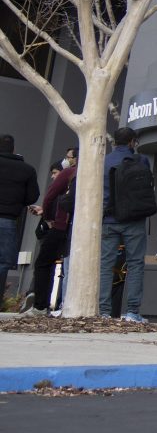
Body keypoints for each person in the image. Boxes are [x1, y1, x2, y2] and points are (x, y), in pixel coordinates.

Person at [98, 127, 148, 322]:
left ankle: (103, 310)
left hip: (109, 219)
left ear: (114, 142)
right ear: (132, 142)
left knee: (106, 264)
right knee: (135, 264)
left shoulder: (104, 161)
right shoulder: (141, 160)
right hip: (134, 219)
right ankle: (132, 311)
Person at [28, 162, 75, 315]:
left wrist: (47, 217)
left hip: (60, 226)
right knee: (66, 266)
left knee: (44, 263)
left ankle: (41, 305)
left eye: (69, 157)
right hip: (77, 226)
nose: (53, 177)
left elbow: (50, 197)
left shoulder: (69, 173)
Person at [0, 135, 40, 305]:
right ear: (13, 150)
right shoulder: (27, 170)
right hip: (8, 220)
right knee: (3, 262)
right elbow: (32, 196)